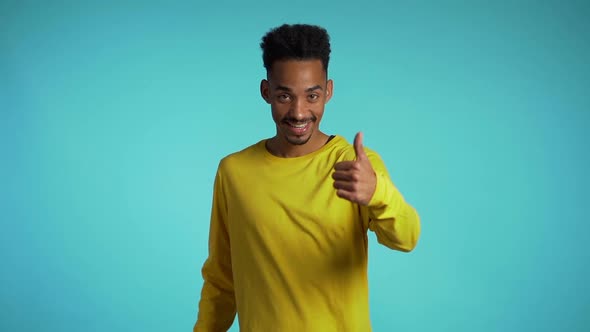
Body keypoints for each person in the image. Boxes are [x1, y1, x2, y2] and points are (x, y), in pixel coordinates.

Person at [194, 23, 421, 332]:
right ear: (266, 92)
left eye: (312, 96)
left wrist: (378, 194)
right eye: (284, 96)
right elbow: (222, 279)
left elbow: (407, 238)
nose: (299, 112)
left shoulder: (354, 166)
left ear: (328, 91)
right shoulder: (234, 172)